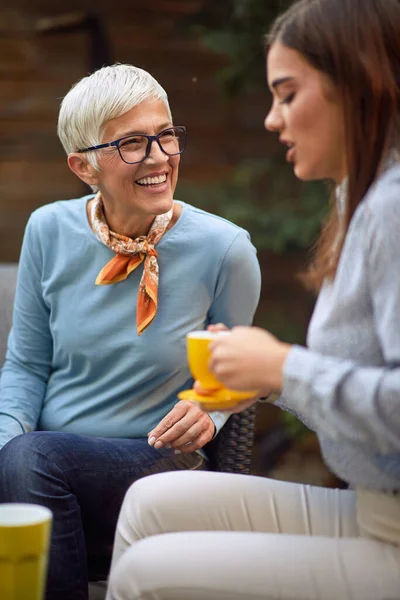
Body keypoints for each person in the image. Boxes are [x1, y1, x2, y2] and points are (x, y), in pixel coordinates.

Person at [105, 1, 400, 599]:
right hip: (374, 510)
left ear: (360, 83)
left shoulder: (393, 209)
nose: (271, 119)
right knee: (149, 501)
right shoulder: (361, 201)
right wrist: (269, 383)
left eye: (287, 94)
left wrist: (284, 365)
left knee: (144, 574)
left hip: (390, 535)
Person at [0, 64, 261, 600]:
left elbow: (242, 371)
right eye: (133, 144)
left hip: (158, 457)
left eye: (165, 135)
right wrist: (4, 443)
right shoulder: (47, 229)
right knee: (23, 458)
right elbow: (26, 365)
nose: (160, 157)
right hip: (45, 460)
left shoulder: (226, 250)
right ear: (83, 166)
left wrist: (211, 408)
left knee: (30, 461)